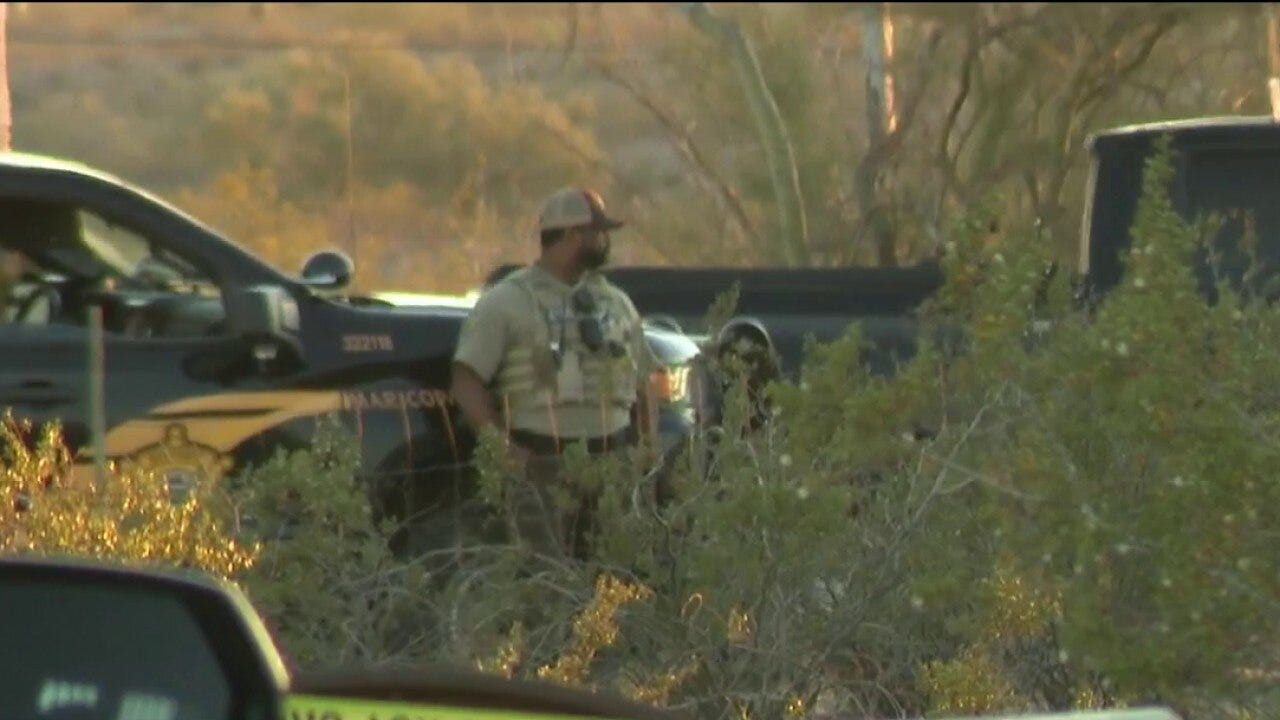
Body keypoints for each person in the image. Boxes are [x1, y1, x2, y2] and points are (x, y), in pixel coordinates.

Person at [450, 187, 658, 559]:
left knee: (616, 574)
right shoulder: (507, 301)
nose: (604, 241)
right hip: (542, 458)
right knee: (545, 577)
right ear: (571, 235)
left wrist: (645, 447)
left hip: (612, 458)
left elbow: (643, 380)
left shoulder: (617, 302)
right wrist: (504, 449)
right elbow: (466, 382)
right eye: (597, 232)